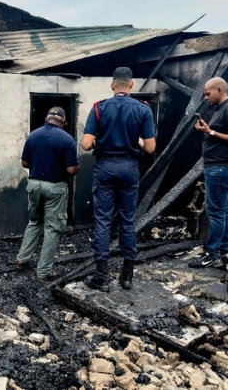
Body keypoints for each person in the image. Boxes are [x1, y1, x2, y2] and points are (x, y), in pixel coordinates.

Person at [81, 67, 156, 291]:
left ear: (113, 85)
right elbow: (150, 148)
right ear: (131, 85)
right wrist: (137, 143)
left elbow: (86, 144)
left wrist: (101, 141)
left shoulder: (98, 108)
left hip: (105, 166)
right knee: (127, 219)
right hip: (129, 168)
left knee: (103, 220)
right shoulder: (143, 109)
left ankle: (101, 277)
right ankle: (127, 277)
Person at [16, 106, 79, 282]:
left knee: (34, 221)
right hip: (55, 187)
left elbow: (25, 162)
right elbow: (72, 170)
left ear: (46, 118)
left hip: (34, 185)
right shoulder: (67, 140)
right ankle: (43, 272)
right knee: (52, 228)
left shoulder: (33, 135)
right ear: (63, 121)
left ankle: (22, 259)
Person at [189, 77, 228, 268]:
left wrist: (210, 132)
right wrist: (207, 130)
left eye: (208, 93)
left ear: (220, 90)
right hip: (219, 166)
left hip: (223, 167)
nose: (206, 98)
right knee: (222, 211)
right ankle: (224, 251)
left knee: (215, 211)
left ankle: (212, 253)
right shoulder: (222, 110)